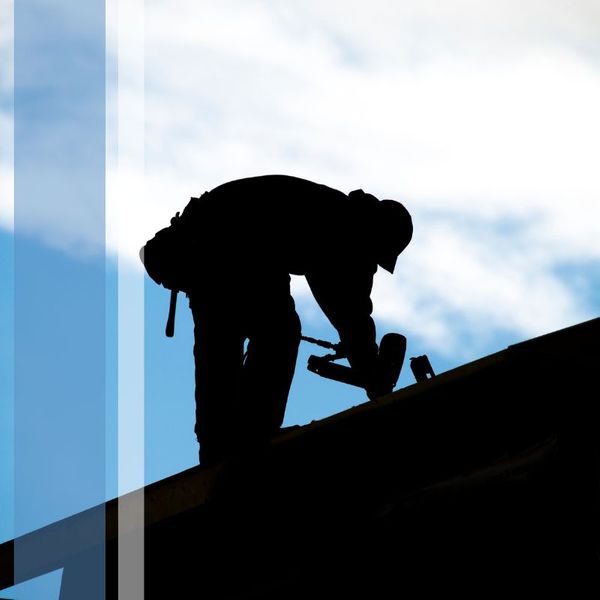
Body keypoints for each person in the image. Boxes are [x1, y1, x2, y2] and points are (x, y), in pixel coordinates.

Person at [178, 174, 413, 466]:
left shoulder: (335, 213)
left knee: (224, 340)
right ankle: (249, 434)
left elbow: (347, 308)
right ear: (377, 236)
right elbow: (350, 312)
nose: (372, 265)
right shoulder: (345, 229)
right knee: (278, 330)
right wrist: (373, 376)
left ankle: (219, 446)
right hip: (225, 244)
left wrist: (367, 367)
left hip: (204, 242)